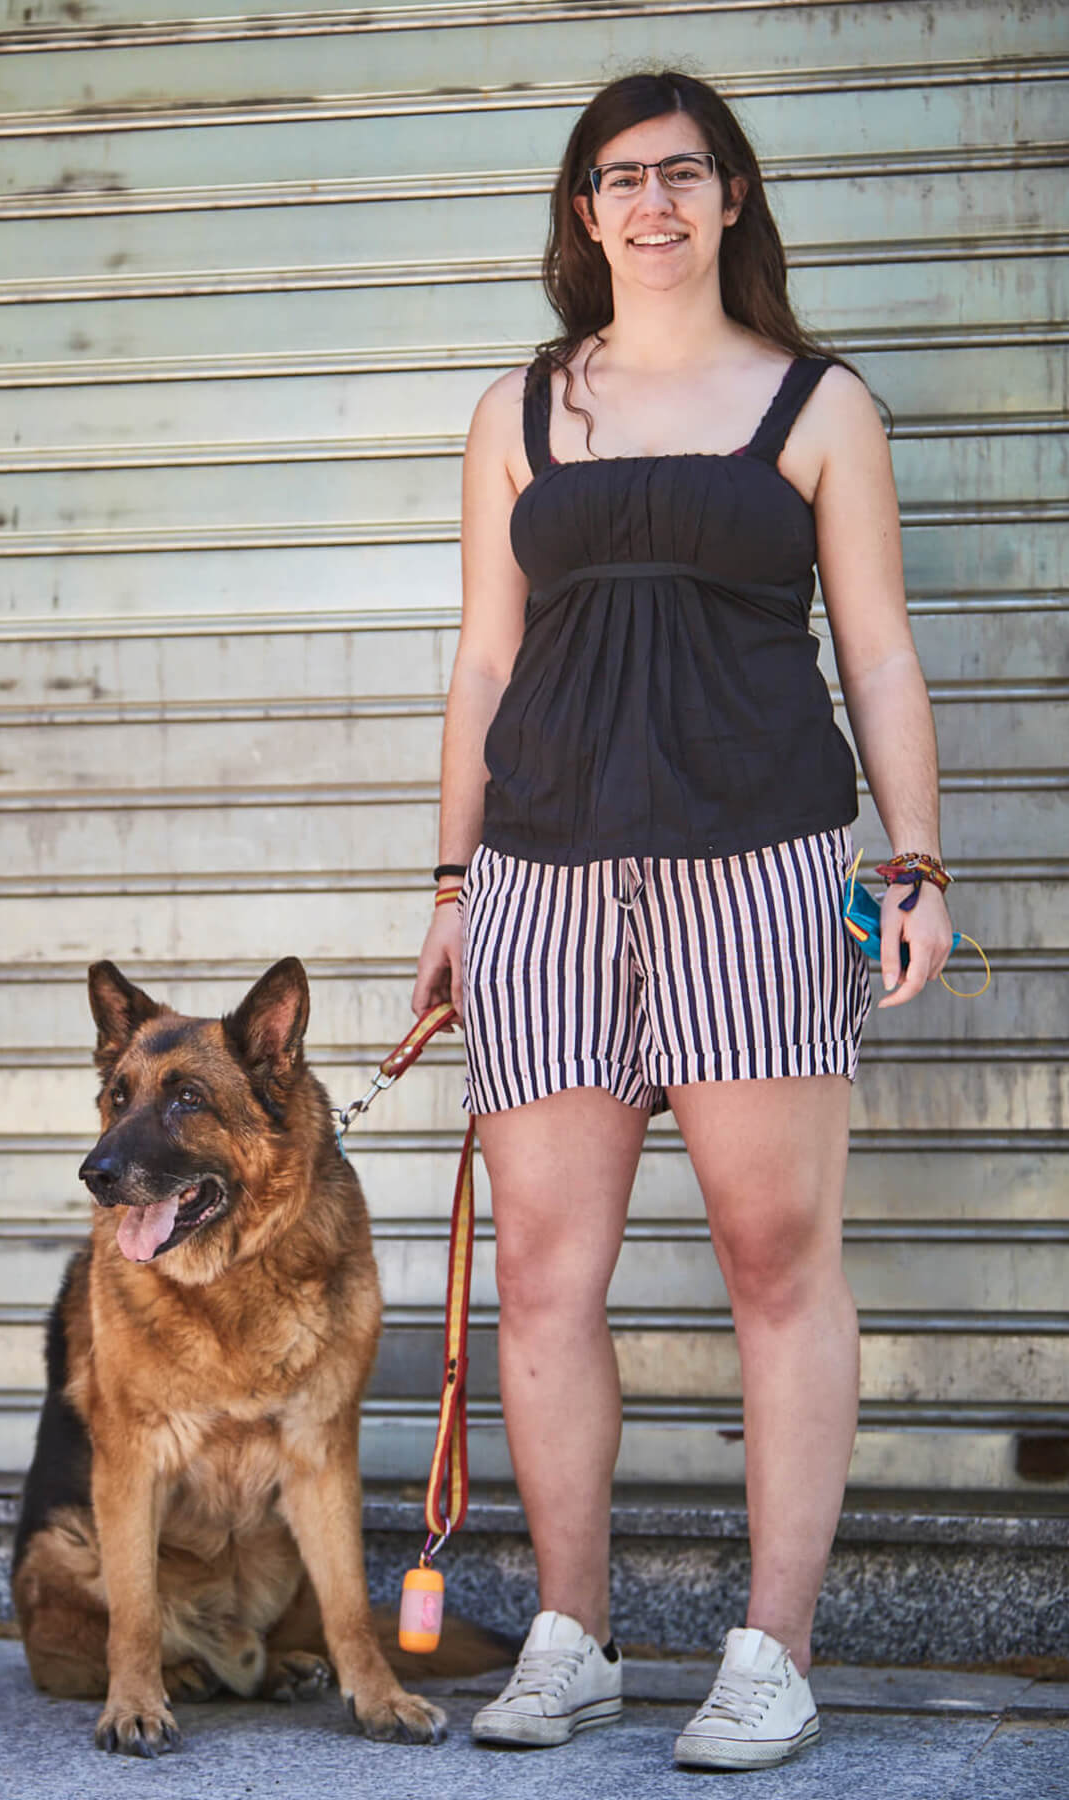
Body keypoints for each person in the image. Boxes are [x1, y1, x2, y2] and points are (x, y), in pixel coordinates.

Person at [411, 69, 955, 1771]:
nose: (650, 203)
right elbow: (483, 660)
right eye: (616, 179)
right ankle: (570, 1635)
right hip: (543, 876)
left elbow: (872, 648)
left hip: (763, 865)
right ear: (583, 214)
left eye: (680, 174)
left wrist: (914, 858)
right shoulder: (516, 408)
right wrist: (447, 884)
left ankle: (769, 1653)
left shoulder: (816, 404)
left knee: (774, 1266)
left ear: (731, 199)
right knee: (549, 1280)